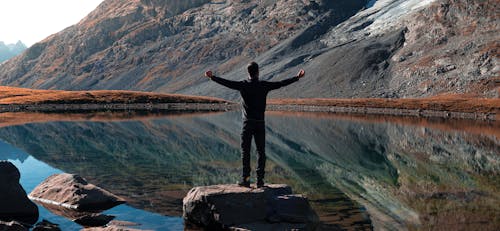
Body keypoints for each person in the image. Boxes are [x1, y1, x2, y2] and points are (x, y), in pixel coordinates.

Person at [204, 62, 305, 188]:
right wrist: (297, 78)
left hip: (247, 123)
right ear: (258, 72)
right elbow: (280, 84)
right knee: (260, 152)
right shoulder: (264, 85)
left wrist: (212, 77)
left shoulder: (243, 85)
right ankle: (260, 181)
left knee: (245, 151)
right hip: (260, 124)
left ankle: (245, 180)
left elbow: (227, 83)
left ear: (248, 72)